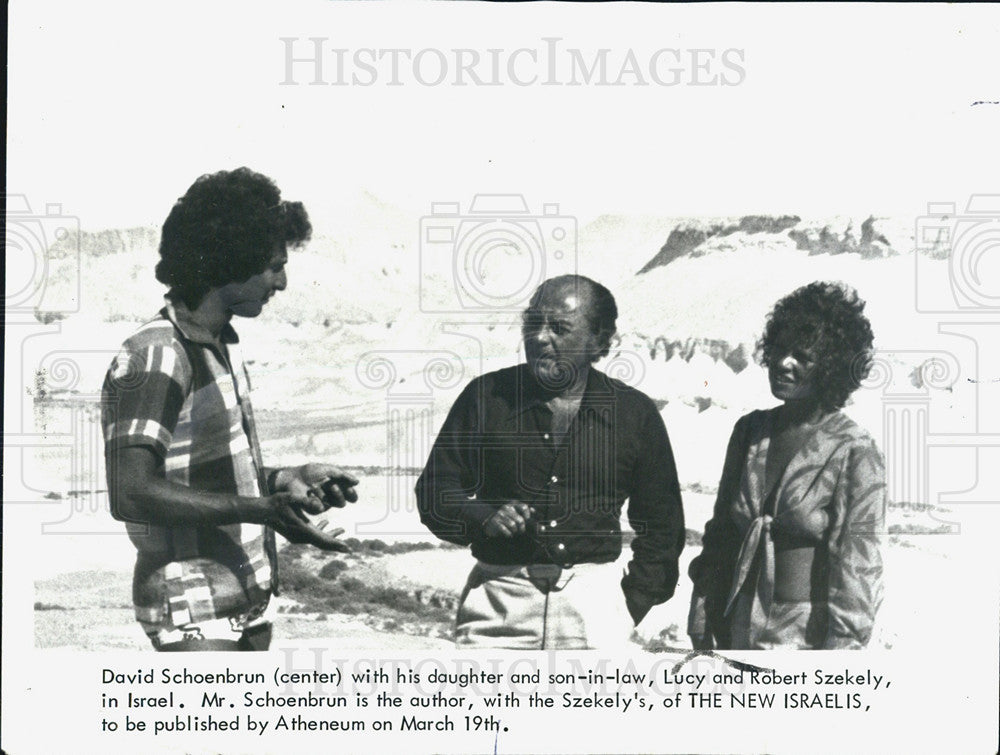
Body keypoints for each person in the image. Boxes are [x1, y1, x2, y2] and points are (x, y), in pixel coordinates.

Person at [101, 167, 358, 651]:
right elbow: (130, 493)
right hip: (192, 606)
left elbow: (204, 475)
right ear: (232, 260)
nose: (281, 282)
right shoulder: (158, 353)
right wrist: (263, 510)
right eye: (274, 265)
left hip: (245, 599)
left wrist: (288, 479)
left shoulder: (219, 344)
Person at [416, 275, 685, 649]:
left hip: (596, 610)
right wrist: (484, 517)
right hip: (498, 603)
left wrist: (628, 605)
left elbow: (663, 526)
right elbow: (435, 492)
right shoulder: (486, 397)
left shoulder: (634, 413)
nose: (540, 337)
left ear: (600, 340)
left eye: (559, 328)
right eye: (533, 324)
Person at [688, 281, 885, 650]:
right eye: (778, 350)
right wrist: (702, 612)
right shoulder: (749, 431)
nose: (783, 363)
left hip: (804, 639)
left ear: (831, 367)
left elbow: (859, 565)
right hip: (732, 623)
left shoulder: (854, 449)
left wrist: (840, 653)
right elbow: (719, 536)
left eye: (802, 356)